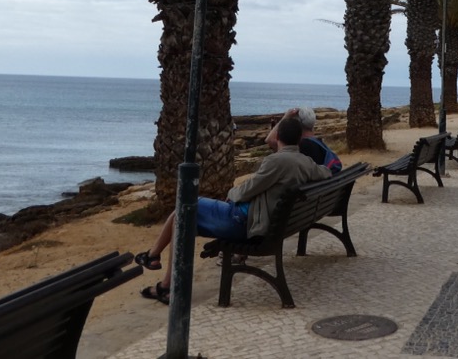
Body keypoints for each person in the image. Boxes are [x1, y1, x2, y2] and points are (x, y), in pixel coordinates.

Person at [134, 115, 330, 304]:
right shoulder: (306, 162)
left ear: (277, 136)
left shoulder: (277, 161)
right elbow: (326, 172)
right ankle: (157, 265)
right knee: (182, 216)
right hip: (270, 224)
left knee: (186, 207)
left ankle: (162, 272)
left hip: (242, 222)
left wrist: (232, 193)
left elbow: (248, 190)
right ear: (299, 139)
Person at [266, 106, 341, 173]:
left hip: (306, 187)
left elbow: (270, 140)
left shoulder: (301, 146)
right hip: (322, 186)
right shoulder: (320, 144)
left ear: (296, 124)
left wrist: (286, 117)